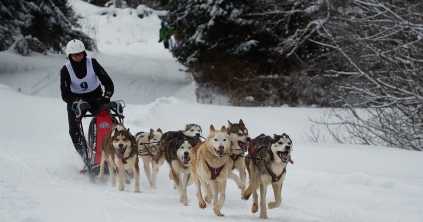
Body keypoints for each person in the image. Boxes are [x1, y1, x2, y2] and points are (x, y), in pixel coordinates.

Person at [60, 39, 114, 164]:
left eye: (80, 54)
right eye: (75, 55)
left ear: (84, 53)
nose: (78, 57)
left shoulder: (93, 63)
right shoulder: (65, 70)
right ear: (70, 56)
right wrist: (77, 100)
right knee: (73, 130)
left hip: (96, 98)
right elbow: (65, 94)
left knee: (108, 122)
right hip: (76, 102)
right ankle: (86, 159)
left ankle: (113, 154)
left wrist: (107, 96)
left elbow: (108, 82)